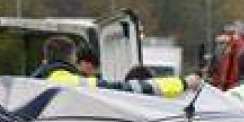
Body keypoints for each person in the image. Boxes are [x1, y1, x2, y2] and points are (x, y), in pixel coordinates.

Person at [33, 43, 201, 98]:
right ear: (72, 59)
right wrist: (184, 83)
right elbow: (126, 90)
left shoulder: (32, 82)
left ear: (45, 59)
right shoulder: (71, 83)